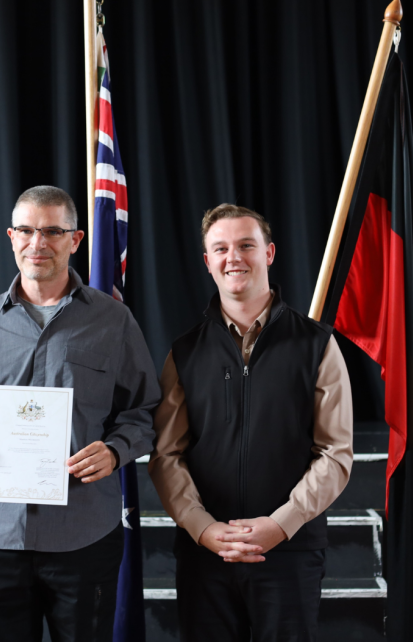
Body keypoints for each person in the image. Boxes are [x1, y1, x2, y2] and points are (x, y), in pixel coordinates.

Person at [0, 185, 160, 642]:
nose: (38, 243)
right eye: (26, 230)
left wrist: (117, 451)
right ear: (11, 236)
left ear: (75, 240)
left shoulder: (113, 321)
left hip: (84, 533)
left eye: (53, 231)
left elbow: (144, 411)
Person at [148, 204, 353, 642]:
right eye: (220, 248)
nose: (233, 257)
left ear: (270, 252)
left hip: (289, 552)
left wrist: (281, 523)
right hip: (207, 555)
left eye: (246, 245)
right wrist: (203, 528)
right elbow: (166, 454)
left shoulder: (317, 344)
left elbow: (335, 454)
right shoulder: (183, 352)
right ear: (207, 261)